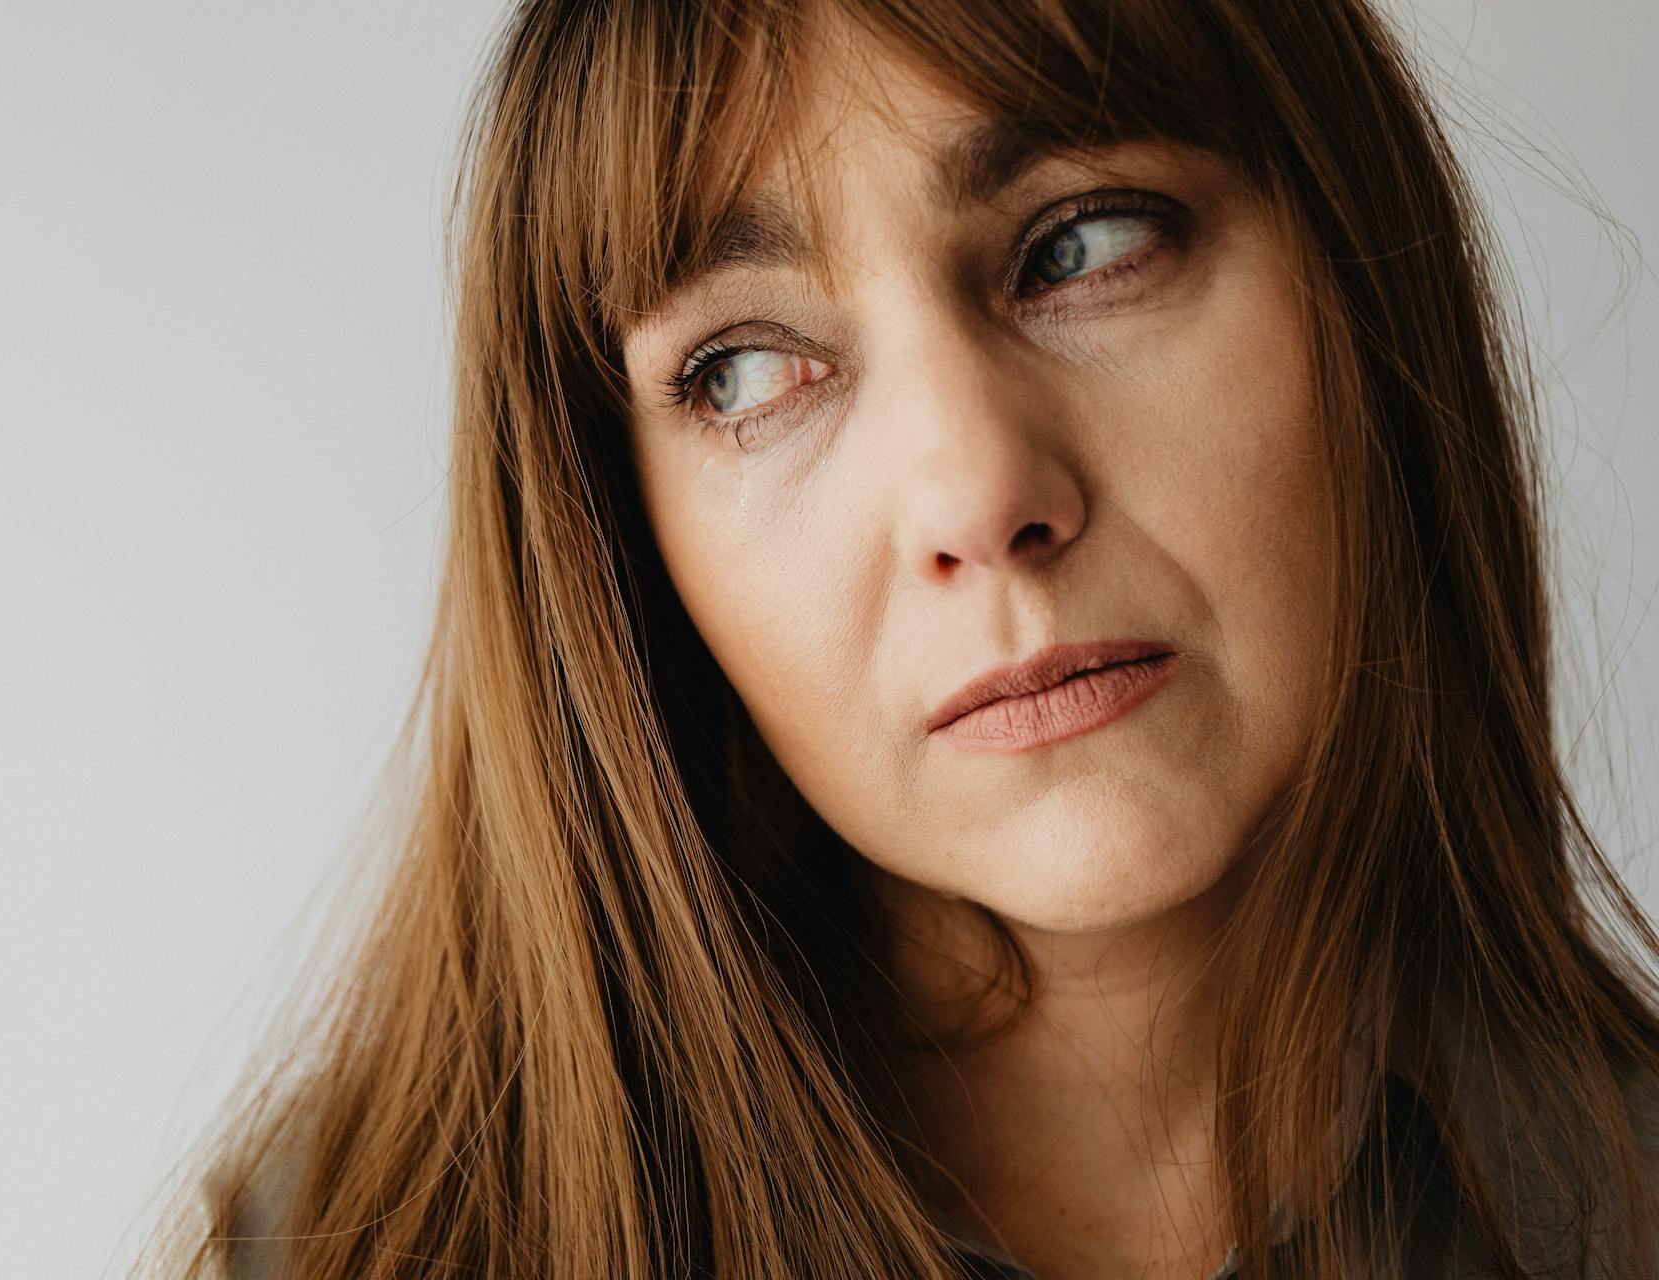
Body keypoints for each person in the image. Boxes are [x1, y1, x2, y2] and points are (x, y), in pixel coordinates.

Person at [133, 1, 1659, 1276]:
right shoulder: (360, 1250)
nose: (978, 495)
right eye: (744, 371)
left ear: (1364, 285)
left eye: (1083, 244)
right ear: (625, 544)